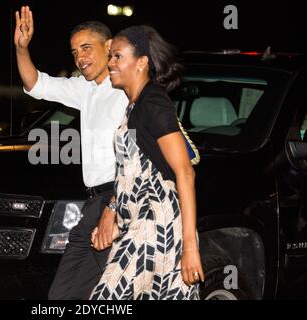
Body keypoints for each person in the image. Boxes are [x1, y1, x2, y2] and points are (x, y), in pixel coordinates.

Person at [14, 6, 128, 299]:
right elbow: (35, 84)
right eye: (75, 51)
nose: (80, 57)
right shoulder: (85, 88)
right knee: (61, 296)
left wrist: (113, 211)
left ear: (109, 46)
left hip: (120, 203)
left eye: (86, 47)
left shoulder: (129, 91)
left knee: (109, 295)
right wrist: (22, 48)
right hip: (91, 204)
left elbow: (135, 159)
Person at [89, 25, 204, 300]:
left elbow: (185, 173)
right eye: (111, 57)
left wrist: (189, 248)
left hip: (158, 228)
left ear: (141, 62)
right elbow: (130, 172)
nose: (111, 63)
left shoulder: (153, 103)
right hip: (137, 225)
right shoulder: (133, 106)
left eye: (117, 56)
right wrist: (114, 212)